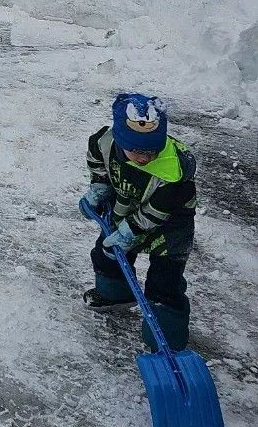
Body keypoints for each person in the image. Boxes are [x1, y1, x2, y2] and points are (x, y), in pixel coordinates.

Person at [79, 92, 198, 352]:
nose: (144, 158)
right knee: (107, 254)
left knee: (165, 282)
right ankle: (116, 293)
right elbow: (96, 157)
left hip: (170, 226)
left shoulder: (173, 172)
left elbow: (158, 210)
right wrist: (99, 186)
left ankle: (167, 341)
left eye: (151, 151)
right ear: (121, 140)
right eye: (137, 151)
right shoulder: (105, 142)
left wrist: (130, 230)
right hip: (127, 206)